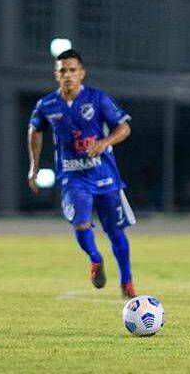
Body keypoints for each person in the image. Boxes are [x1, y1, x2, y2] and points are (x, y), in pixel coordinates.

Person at [27, 49, 138, 298]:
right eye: (62, 70)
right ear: (56, 75)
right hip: (72, 176)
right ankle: (96, 258)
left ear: (82, 73)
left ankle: (127, 282)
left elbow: (125, 128)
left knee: (115, 231)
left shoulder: (98, 99)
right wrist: (33, 166)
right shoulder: (47, 105)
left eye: (72, 70)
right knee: (81, 223)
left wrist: (104, 141)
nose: (67, 75)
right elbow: (34, 130)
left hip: (105, 176)